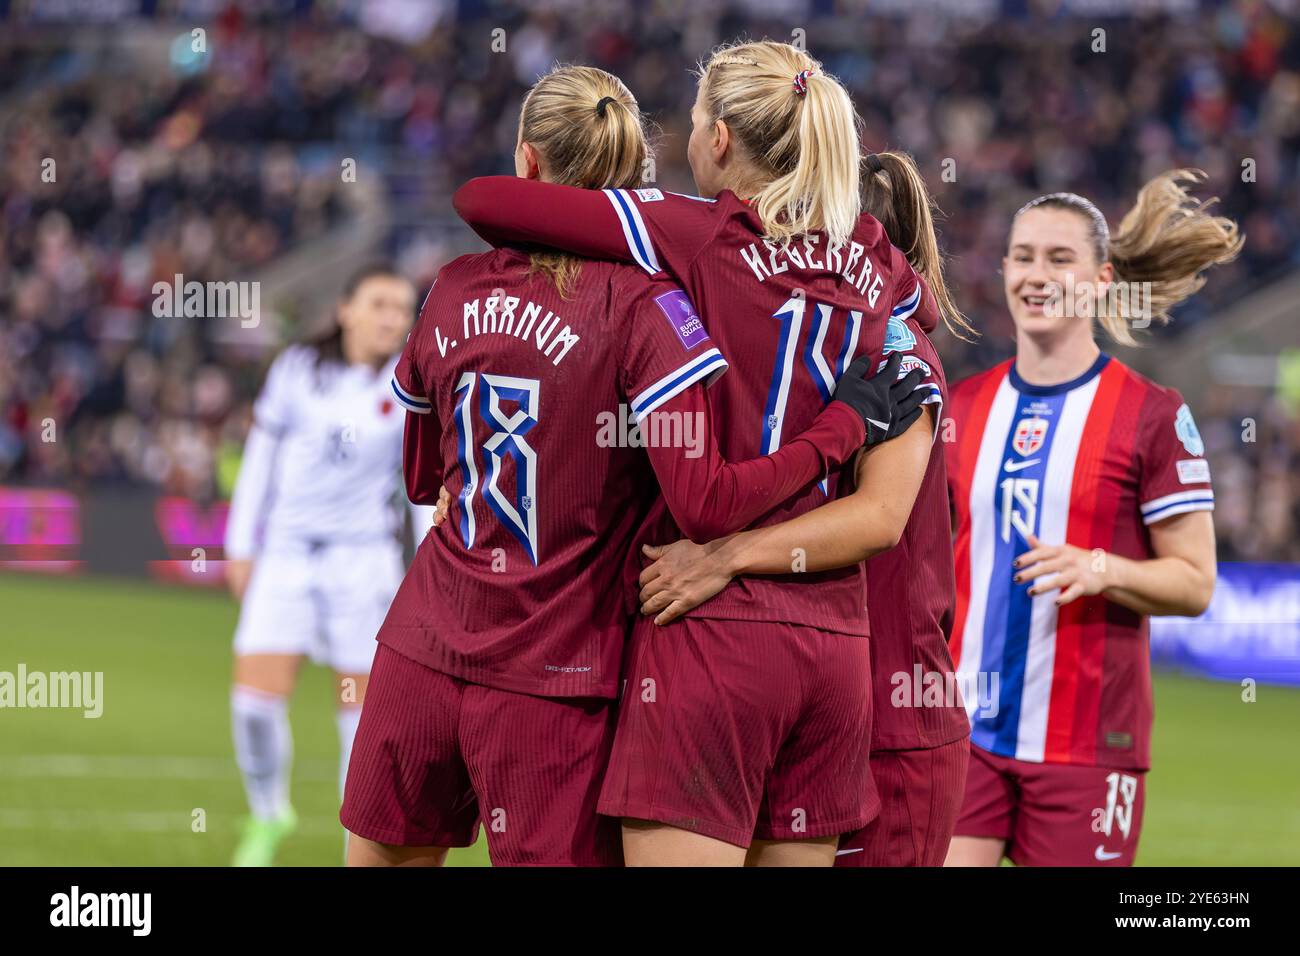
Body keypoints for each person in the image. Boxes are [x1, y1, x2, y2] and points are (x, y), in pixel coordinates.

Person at [340, 65, 915, 868]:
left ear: (529, 159)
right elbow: (727, 488)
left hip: (449, 640)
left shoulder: (458, 285)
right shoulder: (832, 270)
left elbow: (422, 474)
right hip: (622, 660)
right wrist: (843, 425)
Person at [943, 170, 1240, 866]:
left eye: (1059, 258)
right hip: (963, 730)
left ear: (1102, 278)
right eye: (1022, 256)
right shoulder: (959, 409)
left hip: (1088, 745)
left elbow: (1196, 584)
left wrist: (1099, 567)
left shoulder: (1153, 415)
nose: (1036, 274)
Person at [224, 263, 430, 866]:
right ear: (345, 308)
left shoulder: (408, 385)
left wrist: (422, 570)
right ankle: (268, 814)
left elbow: (421, 487)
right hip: (286, 557)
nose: (393, 318)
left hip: (361, 565)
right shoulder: (298, 370)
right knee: (253, 705)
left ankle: (358, 846)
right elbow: (260, 456)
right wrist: (242, 546)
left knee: (359, 717)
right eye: (380, 304)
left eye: (402, 309)